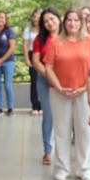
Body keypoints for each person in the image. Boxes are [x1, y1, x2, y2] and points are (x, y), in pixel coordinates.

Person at [41, 9, 90, 180]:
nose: (72, 23)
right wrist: (59, 87)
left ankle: (85, 168)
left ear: (81, 22)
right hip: (60, 93)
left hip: (84, 92)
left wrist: (84, 88)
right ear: (64, 23)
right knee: (61, 131)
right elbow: (48, 67)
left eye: (76, 20)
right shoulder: (56, 41)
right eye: (69, 20)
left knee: (85, 131)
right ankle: (62, 168)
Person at [28, 9, 59, 165]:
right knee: (49, 115)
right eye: (46, 21)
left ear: (59, 19)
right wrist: (49, 75)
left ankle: (61, 150)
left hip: (64, 82)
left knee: (64, 117)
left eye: (52, 19)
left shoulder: (65, 38)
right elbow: (36, 61)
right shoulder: (40, 39)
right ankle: (48, 150)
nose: (50, 23)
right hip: (45, 80)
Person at [22, 12, 42, 116]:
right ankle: (34, 105)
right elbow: (25, 45)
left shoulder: (44, 29)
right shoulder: (28, 30)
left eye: (38, 16)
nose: (36, 18)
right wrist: (27, 59)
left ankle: (42, 105)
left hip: (43, 55)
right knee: (34, 81)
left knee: (43, 80)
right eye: (34, 16)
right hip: (32, 53)